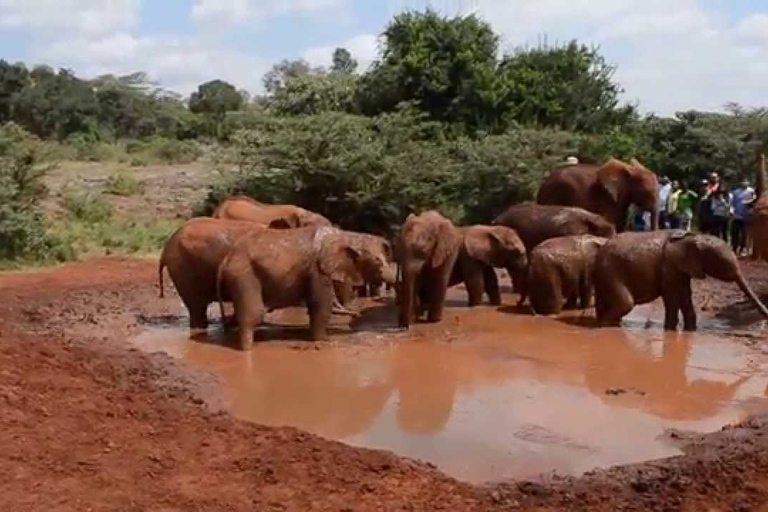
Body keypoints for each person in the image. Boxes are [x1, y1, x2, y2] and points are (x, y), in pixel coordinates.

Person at [731, 178, 757, 256]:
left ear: (748, 182)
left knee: (744, 235)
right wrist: (731, 210)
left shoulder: (752, 191)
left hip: (747, 217)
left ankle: (743, 249)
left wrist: (749, 201)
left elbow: (755, 200)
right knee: (734, 233)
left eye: (746, 181)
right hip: (736, 216)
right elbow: (732, 204)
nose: (744, 183)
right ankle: (734, 249)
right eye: (743, 181)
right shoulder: (735, 192)